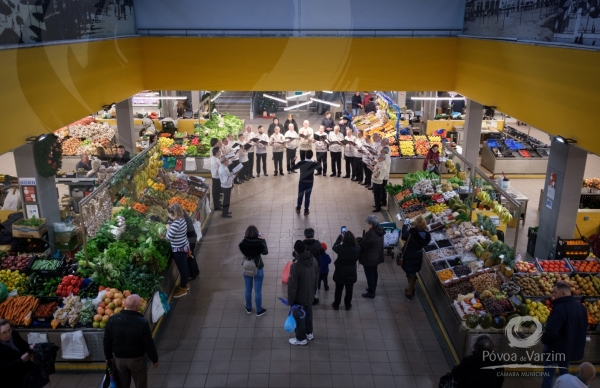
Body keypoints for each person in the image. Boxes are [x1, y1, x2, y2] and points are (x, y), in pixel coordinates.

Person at [104, 295, 159, 388]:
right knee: (140, 384)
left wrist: (108, 357)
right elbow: (148, 344)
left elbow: (107, 340)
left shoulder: (113, 319)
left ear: (125, 304)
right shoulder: (142, 322)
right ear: (137, 307)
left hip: (119, 360)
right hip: (136, 360)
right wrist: (154, 359)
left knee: (122, 385)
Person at [541, 281, 588, 388]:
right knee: (565, 373)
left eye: (555, 292)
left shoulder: (560, 308)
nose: (553, 295)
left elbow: (552, 331)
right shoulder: (581, 307)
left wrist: (544, 340)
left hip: (555, 348)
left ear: (563, 294)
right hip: (568, 348)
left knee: (548, 375)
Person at [288, 240, 319, 346]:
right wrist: (314, 292)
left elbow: (292, 286)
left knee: (299, 317)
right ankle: (309, 333)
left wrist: (290, 301)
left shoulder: (296, 266)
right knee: (309, 314)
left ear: (295, 251)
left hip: (299, 297)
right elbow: (316, 277)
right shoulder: (313, 260)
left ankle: (301, 338)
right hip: (310, 293)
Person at [0, 319, 45, 388]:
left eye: (9, 330)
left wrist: (31, 348)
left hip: (26, 373)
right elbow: (3, 368)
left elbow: (24, 345)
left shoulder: (14, 334)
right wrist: (21, 360)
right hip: (11, 378)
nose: (8, 334)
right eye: (4, 333)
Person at [238, 225, 268, 317]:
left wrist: (246, 238)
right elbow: (265, 252)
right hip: (258, 268)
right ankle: (259, 310)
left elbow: (243, 250)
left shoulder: (243, 243)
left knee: (248, 289)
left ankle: (248, 308)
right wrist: (263, 239)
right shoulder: (259, 243)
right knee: (258, 290)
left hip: (247, 268)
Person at [400, 216, 432, 299]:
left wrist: (404, 226)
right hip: (418, 255)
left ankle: (410, 290)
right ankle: (411, 287)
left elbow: (403, 236)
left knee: (408, 271)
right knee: (413, 272)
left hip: (408, 255)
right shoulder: (426, 235)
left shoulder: (411, 233)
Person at [166, 203, 190, 298]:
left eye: (169, 213)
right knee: (184, 267)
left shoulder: (175, 224)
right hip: (183, 247)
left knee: (182, 269)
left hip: (178, 250)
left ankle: (183, 288)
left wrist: (168, 228)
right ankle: (185, 283)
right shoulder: (182, 220)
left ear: (172, 214)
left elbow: (169, 237)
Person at [332, 231, 360, 310]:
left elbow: (334, 246)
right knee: (349, 290)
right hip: (351, 271)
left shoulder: (340, 248)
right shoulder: (357, 248)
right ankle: (347, 305)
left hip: (340, 271)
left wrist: (340, 237)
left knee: (338, 290)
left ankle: (336, 304)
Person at [358, 215, 384, 298]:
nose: (367, 225)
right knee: (374, 272)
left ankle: (371, 292)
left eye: (368, 223)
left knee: (369, 275)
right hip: (376, 256)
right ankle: (373, 287)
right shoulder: (380, 231)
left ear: (371, 224)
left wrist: (359, 242)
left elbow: (363, 245)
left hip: (369, 258)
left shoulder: (370, 234)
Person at [291, 151, 321, 216]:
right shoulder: (313, 164)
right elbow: (320, 168)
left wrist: (293, 160)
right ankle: (306, 211)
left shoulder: (301, 162)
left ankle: (298, 208)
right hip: (310, 182)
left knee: (300, 196)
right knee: (307, 197)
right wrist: (317, 162)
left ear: (305, 155)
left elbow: (293, 167)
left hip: (302, 182)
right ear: (312, 156)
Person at [303, 227, 324, 305]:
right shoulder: (317, 243)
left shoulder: (302, 244)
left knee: (305, 281)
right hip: (315, 266)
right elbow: (322, 251)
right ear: (313, 234)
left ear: (305, 235)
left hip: (305, 266)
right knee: (315, 281)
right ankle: (313, 298)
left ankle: (305, 296)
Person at [184, 212, 199, 280]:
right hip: (192, 237)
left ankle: (192, 274)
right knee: (192, 254)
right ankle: (196, 271)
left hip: (190, 239)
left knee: (189, 256)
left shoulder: (182, 218)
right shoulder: (185, 215)